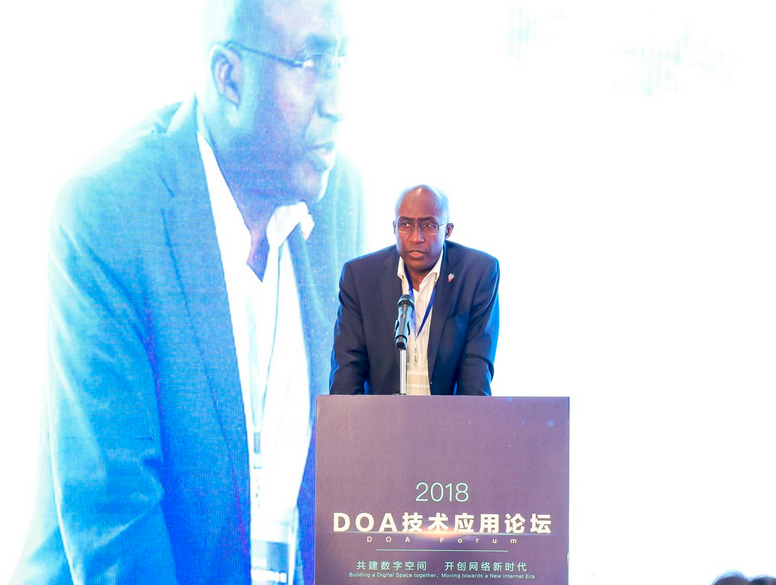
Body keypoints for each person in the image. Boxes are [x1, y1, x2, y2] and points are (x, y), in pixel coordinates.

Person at [11, 0, 364, 583]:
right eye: (310, 63)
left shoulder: (339, 198)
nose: (338, 102)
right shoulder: (111, 214)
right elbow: (118, 530)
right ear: (229, 77)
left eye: (342, 62)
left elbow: (347, 477)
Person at [329, 184, 499, 396]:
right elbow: (347, 366)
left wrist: (470, 417)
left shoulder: (476, 273)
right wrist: (345, 416)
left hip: (448, 413)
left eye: (428, 225)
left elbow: (476, 367)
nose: (416, 237)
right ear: (394, 228)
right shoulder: (361, 276)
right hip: (381, 414)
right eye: (406, 224)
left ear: (448, 231)